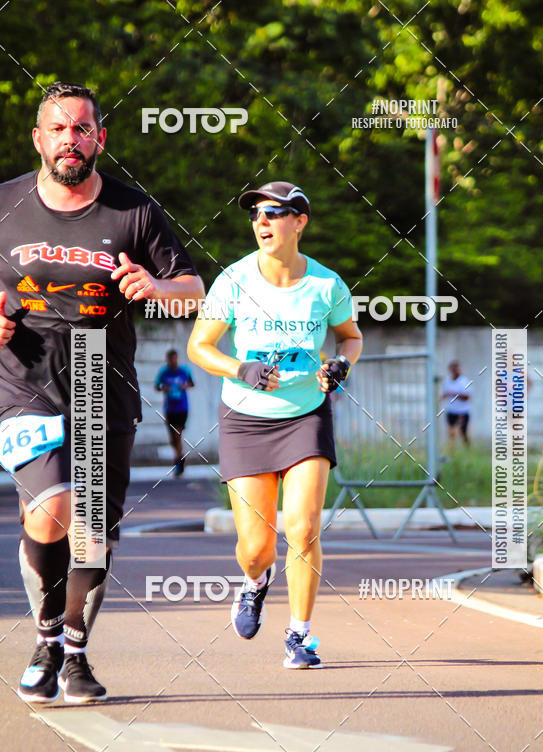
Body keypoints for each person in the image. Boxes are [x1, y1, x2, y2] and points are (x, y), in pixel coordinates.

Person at [0, 81, 204, 703]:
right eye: (59, 129)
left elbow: (195, 286)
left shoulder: (133, 211)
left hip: (100, 376)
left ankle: (76, 656)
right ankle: (44, 637)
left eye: (82, 128)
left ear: (99, 139)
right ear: (38, 138)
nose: (71, 139)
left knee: (93, 531)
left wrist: (157, 286)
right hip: (22, 374)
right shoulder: (4, 204)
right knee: (51, 509)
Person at [188, 181, 362, 669]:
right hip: (245, 420)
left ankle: (300, 635)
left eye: (273, 213)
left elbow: (350, 337)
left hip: (306, 415)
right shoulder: (234, 280)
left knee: (304, 528)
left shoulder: (327, 285)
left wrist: (340, 365)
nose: (261, 222)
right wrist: (238, 368)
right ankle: (254, 581)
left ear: (299, 222)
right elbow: (199, 346)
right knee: (257, 548)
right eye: (255, 216)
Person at [155, 349, 194, 476]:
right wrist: (163, 388)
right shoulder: (164, 372)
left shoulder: (184, 370)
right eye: (171, 359)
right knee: (172, 439)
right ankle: (180, 457)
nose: (173, 361)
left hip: (182, 408)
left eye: (175, 358)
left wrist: (185, 386)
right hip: (169, 408)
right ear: (167, 360)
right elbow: (157, 386)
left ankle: (178, 463)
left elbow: (191, 383)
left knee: (178, 434)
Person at [441, 360, 472, 445]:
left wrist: (453, 394)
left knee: (463, 433)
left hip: (462, 411)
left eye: (457, 368)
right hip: (451, 410)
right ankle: (452, 452)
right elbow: (444, 395)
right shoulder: (447, 381)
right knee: (451, 433)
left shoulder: (464, 381)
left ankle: (467, 450)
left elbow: (467, 397)